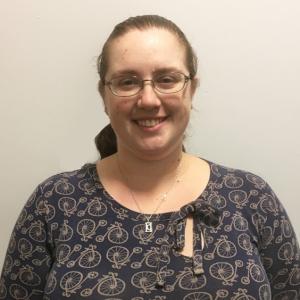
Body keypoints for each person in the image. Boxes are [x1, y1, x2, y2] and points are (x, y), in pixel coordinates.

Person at [0, 15, 299, 300]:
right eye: (127, 82)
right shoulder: (54, 202)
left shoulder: (250, 197)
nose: (148, 99)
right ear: (104, 96)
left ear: (191, 89)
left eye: (167, 79)